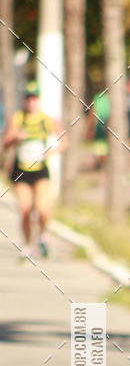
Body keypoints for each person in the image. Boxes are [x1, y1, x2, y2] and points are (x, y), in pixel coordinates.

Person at [2, 81, 66, 258]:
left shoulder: (46, 119)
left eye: (34, 98)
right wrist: (15, 138)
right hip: (21, 170)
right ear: (24, 100)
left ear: (38, 100)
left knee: (42, 209)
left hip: (40, 170)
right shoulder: (18, 118)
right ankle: (28, 244)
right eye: (28, 99)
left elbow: (64, 141)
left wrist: (50, 152)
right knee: (25, 209)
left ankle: (43, 236)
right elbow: (5, 144)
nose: (31, 102)